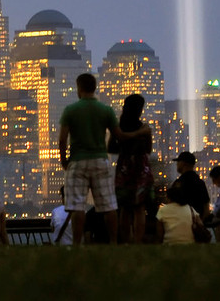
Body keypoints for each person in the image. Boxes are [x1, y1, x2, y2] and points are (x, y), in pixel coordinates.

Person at [57, 72, 120, 245]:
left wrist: (64, 161)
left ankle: (77, 245)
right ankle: (114, 243)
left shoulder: (70, 110)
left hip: (77, 161)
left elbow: (62, 139)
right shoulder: (105, 110)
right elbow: (117, 135)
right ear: (94, 87)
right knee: (108, 206)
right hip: (100, 160)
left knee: (77, 206)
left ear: (79, 88)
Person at [114, 92, 153, 243]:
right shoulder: (144, 128)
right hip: (141, 167)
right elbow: (148, 150)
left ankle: (125, 241)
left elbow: (112, 146)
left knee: (124, 208)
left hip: (123, 167)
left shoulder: (119, 126)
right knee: (139, 208)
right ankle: (137, 241)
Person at [174, 152, 210, 219]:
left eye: (178, 161)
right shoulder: (200, 183)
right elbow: (206, 209)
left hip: (181, 223)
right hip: (197, 224)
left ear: (183, 163)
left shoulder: (178, 183)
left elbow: (172, 205)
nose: (177, 164)